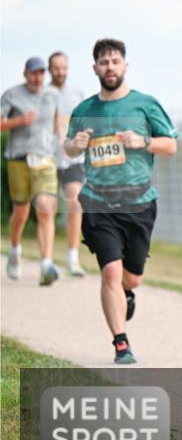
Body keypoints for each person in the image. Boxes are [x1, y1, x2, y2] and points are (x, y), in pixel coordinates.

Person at [64, 38, 179, 364]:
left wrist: (143, 141)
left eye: (115, 61)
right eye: (104, 62)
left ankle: (126, 293)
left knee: (131, 277)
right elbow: (69, 148)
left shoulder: (145, 104)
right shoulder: (85, 110)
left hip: (139, 203)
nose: (110, 67)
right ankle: (121, 343)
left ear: (124, 65)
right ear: (95, 68)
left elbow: (171, 146)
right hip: (99, 203)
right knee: (111, 273)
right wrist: (76, 143)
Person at [1, 57, 61, 285]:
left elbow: (56, 123)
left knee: (46, 207)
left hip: (45, 159)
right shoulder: (12, 95)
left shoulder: (52, 95)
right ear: (25, 74)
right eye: (34, 73)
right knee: (21, 213)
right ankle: (15, 249)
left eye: (41, 73)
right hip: (18, 159)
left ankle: (46, 263)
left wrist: (62, 144)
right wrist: (18, 121)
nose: (38, 78)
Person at [50, 51, 88, 277]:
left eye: (64, 67)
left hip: (71, 159)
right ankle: (47, 258)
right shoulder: (42, 95)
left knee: (76, 202)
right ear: (50, 70)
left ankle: (72, 258)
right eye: (56, 68)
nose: (61, 72)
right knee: (47, 208)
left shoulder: (76, 94)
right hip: (46, 157)